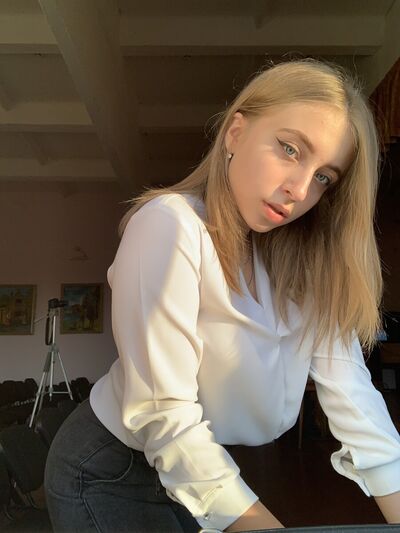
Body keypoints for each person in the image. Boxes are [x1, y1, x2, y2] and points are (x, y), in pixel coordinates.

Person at [44, 58, 400, 532]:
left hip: (195, 462)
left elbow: (358, 404)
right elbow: (162, 415)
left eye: (323, 177)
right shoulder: (170, 226)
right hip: (109, 469)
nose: (299, 189)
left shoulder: (301, 264)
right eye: (290, 148)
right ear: (235, 132)